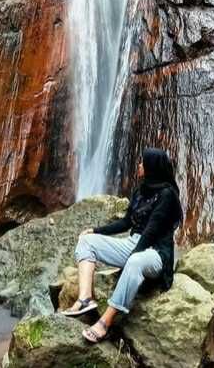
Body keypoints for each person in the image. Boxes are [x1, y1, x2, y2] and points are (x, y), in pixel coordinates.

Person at [62, 147, 183, 343]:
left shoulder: (167, 195)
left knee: (134, 261)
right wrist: (95, 230)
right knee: (86, 242)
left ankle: (104, 323)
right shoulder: (141, 190)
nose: (139, 165)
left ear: (152, 166)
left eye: (143, 162)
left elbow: (151, 231)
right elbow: (126, 222)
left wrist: (131, 257)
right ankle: (85, 299)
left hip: (156, 252)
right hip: (133, 243)